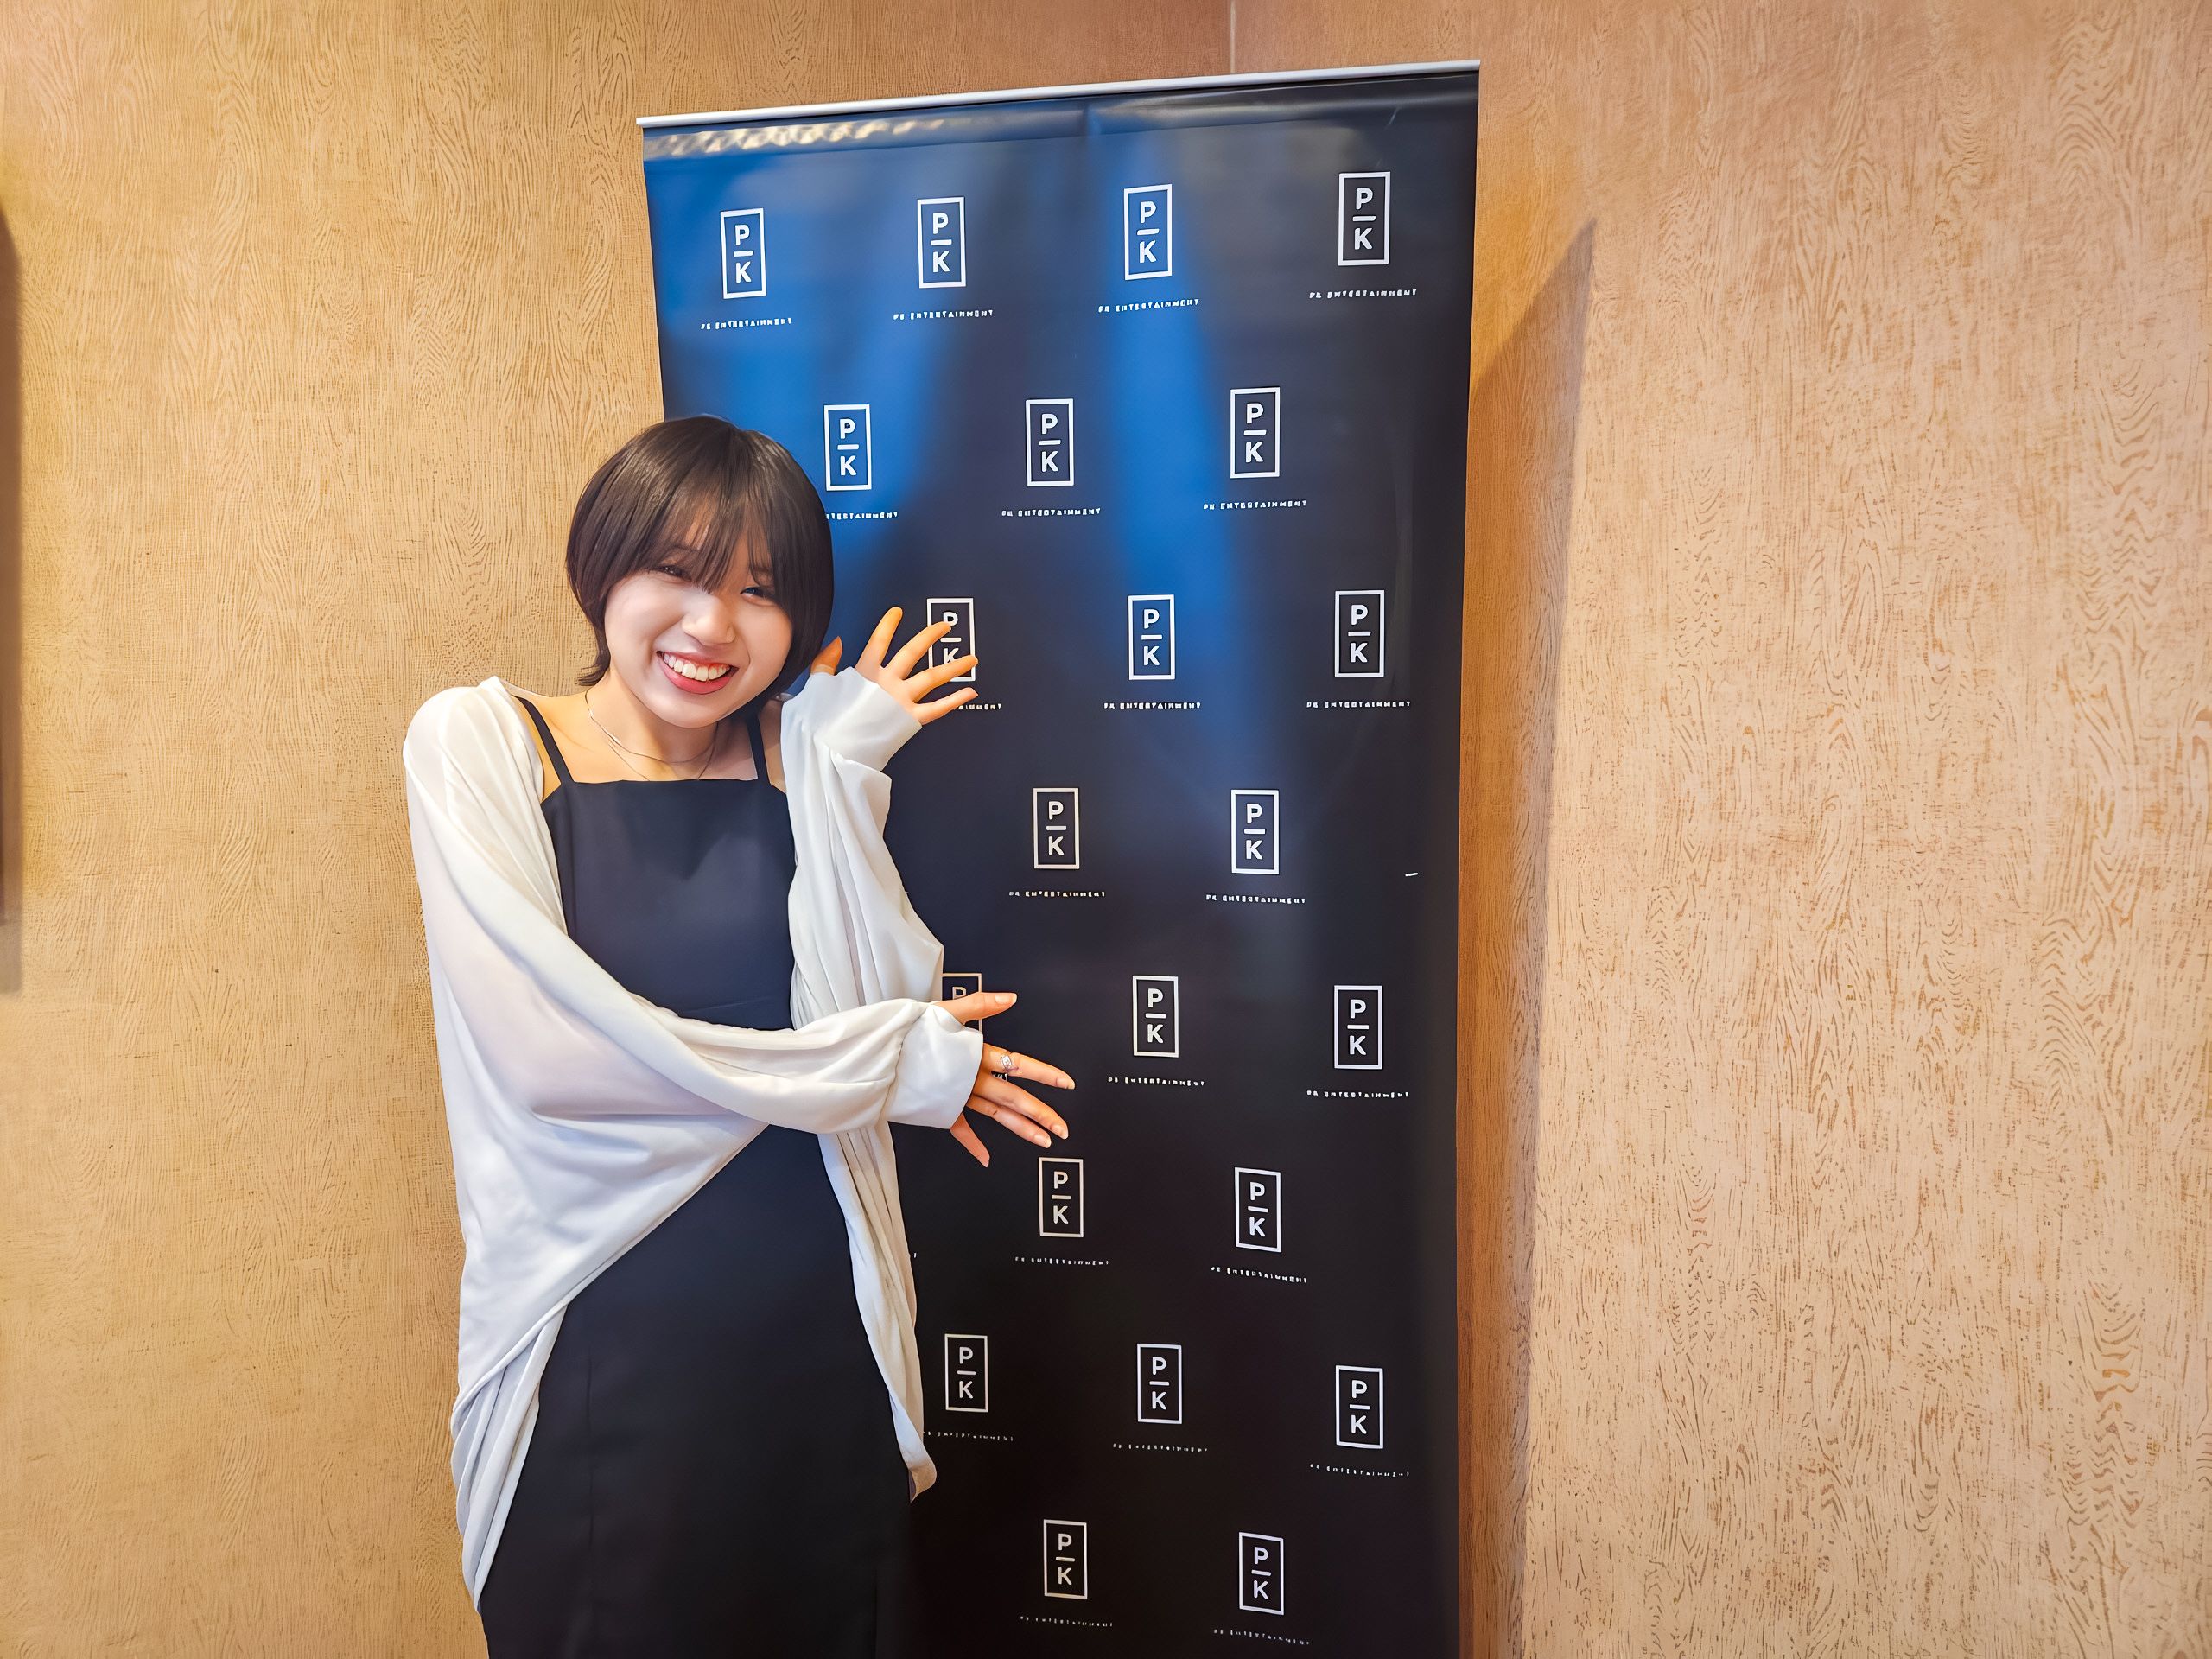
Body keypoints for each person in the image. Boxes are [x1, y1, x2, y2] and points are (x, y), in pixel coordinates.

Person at [401, 415, 1075, 1656]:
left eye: (760, 591)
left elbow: (885, 993)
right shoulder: (484, 743)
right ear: (603, 567)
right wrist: (889, 1062)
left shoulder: (799, 759)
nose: (713, 626)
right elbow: (555, 1063)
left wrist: (845, 761)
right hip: (600, 1348)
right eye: (678, 572)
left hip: (817, 1339)